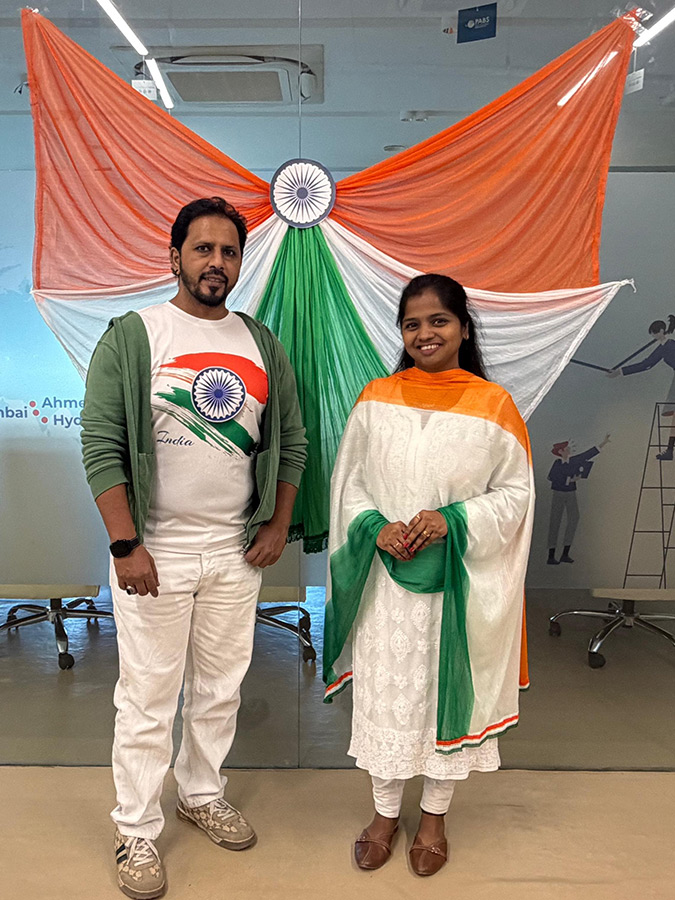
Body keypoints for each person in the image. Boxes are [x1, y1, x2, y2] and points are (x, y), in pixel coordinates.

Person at [81, 197, 306, 899]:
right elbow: (101, 446)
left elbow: (292, 442)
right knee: (147, 697)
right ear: (175, 255)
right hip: (155, 553)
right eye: (203, 249)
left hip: (235, 552)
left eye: (229, 251)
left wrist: (276, 525)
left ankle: (201, 793)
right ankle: (136, 828)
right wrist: (126, 544)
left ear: (240, 262)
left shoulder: (261, 342)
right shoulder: (135, 336)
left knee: (218, 690)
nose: (217, 262)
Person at [323, 274, 534, 877]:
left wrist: (454, 519)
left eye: (438, 320)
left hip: (457, 587)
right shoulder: (376, 399)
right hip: (384, 586)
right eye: (412, 324)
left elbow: (516, 496)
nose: (425, 334)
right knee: (388, 698)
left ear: (463, 328)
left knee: (445, 698)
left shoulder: (494, 405)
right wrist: (373, 526)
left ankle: (435, 818)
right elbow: (349, 484)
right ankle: (385, 814)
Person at [608, 316, 675, 459]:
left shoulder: (670, 346)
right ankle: (670, 450)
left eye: (655, 333)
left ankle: (670, 450)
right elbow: (646, 364)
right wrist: (620, 371)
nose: (654, 337)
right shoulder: (663, 347)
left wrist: (620, 371)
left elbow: (646, 364)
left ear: (661, 331)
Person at [546, 435, 610, 565]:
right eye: (566, 449)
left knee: (574, 518)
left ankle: (565, 553)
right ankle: (551, 555)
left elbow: (588, 454)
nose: (569, 450)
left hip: (571, 493)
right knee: (555, 521)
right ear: (561, 451)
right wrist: (569, 480)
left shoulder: (574, 461)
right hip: (558, 493)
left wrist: (603, 443)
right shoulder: (557, 464)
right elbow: (551, 477)